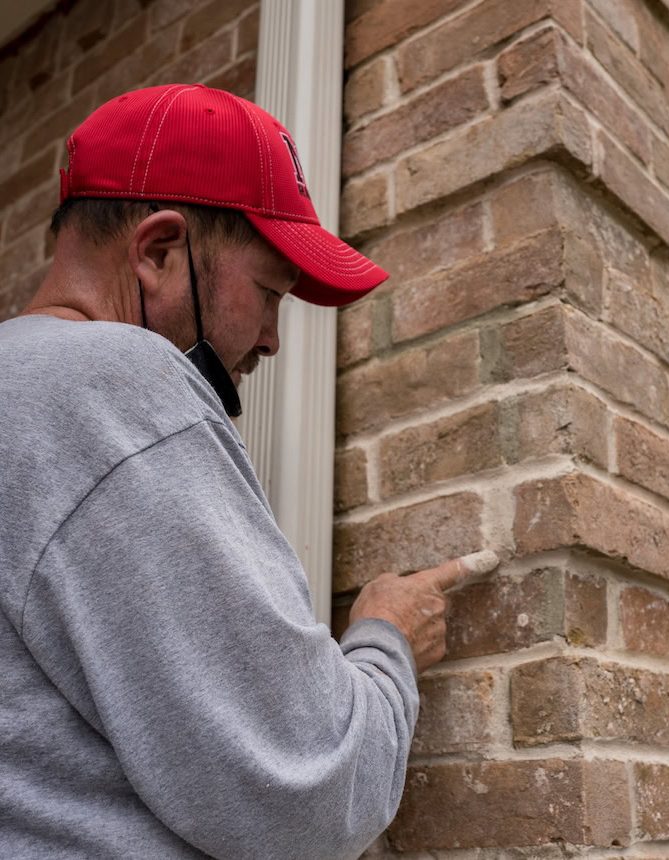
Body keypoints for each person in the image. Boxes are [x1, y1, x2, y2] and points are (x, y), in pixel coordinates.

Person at [0, 84, 488, 859]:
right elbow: (308, 796)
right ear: (158, 252)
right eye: (268, 294)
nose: (271, 341)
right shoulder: (116, 386)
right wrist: (384, 640)